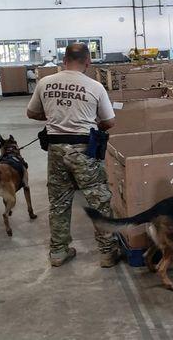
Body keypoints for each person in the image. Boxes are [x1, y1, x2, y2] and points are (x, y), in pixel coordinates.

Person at [27, 43, 119, 268]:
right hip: (84, 150)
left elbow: (31, 112)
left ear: (63, 60)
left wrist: (54, 116)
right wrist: (88, 120)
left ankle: (58, 252)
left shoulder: (45, 83)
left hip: (56, 150)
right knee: (98, 200)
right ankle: (107, 253)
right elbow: (109, 122)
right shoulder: (95, 86)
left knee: (59, 201)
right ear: (88, 62)